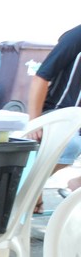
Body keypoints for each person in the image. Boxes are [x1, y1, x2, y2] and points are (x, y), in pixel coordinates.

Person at [27, 23, 81, 213]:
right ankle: (30, 190)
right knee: (71, 144)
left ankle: (77, 183)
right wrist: (35, 122)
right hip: (58, 114)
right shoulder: (76, 37)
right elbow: (41, 77)